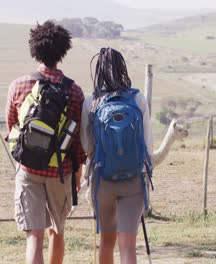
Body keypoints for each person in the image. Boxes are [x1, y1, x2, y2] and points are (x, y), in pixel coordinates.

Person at [5, 21, 86, 264]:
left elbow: (11, 128)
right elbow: (78, 139)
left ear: (35, 49)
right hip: (60, 171)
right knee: (57, 232)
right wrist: (78, 172)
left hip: (28, 168)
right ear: (62, 52)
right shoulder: (74, 91)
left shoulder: (19, 85)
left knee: (34, 237)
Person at [80, 47, 153, 264]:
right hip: (134, 178)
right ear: (123, 69)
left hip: (103, 180)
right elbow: (147, 144)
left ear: (98, 71)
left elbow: (87, 146)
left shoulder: (90, 102)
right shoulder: (138, 99)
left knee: (106, 243)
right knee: (128, 246)